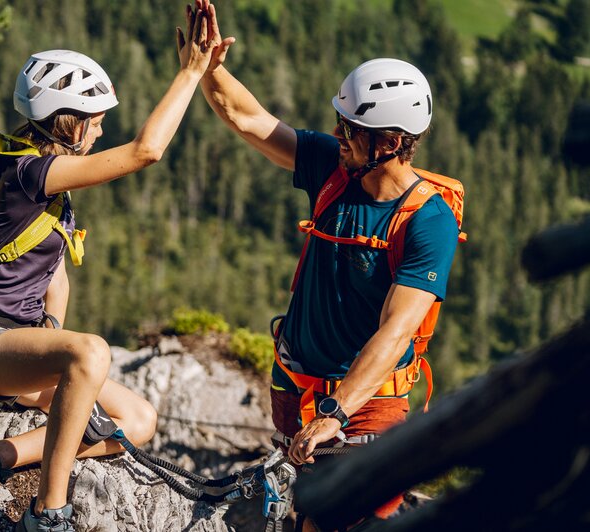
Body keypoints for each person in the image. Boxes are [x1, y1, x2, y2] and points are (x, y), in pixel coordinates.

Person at [0, 8, 216, 532]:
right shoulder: (28, 173)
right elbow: (146, 151)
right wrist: (190, 74)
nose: (101, 128)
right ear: (68, 120)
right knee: (91, 351)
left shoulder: (50, 184)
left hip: (16, 347)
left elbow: (56, 274)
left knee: (138, 421)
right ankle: (49, 512)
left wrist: (50, 341)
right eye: (94, 119)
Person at [195, 0, 460, 527]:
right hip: (295, 384)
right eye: (340, 124)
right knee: (299, 508)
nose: (338, 135)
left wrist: (336, 413)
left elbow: (397, 329)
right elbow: (246, 118)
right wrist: (210, 68)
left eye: (350, 129)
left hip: (367, 407)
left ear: (391, 142)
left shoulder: (427, 221)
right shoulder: (333, 170)